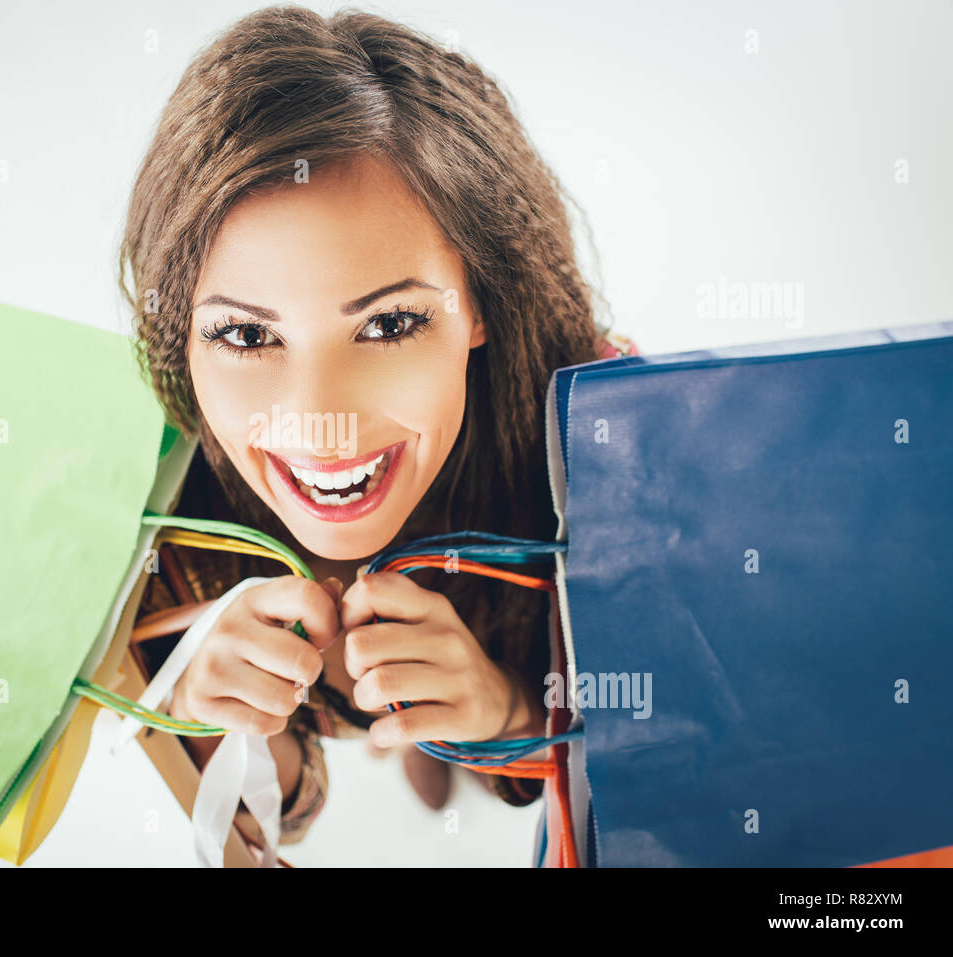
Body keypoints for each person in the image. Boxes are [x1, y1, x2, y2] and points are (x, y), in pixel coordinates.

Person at [119, 5, 638, 853]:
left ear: (479, 302)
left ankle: (436, 748)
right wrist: (211, 717)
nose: (320, 421)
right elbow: (271, 812)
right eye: (248, 335)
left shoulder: (612, 447)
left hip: (512, 650)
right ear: (181, 332)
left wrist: (506, 709)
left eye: (389, 324)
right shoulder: (145, 516)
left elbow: (655, 725)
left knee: (467, 735)